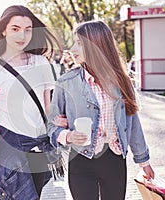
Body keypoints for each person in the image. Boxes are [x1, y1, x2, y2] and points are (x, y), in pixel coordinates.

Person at [47, 20, 155, 200]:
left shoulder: (121, 81)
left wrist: (144, 162)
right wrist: (67, 136)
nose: (72, 49)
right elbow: (51, 126)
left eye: (79, 43)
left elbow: (133, 124)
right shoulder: (65, 83)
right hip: (80, 160)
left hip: (114, 161)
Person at [0, 5, 63, 199]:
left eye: (27, 29)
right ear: (4, 30)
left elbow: (48, 108)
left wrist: (60, 128)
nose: (22, 35)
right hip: (9, 144)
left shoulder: (41, 62)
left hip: (39, 145)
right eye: (15, 29)